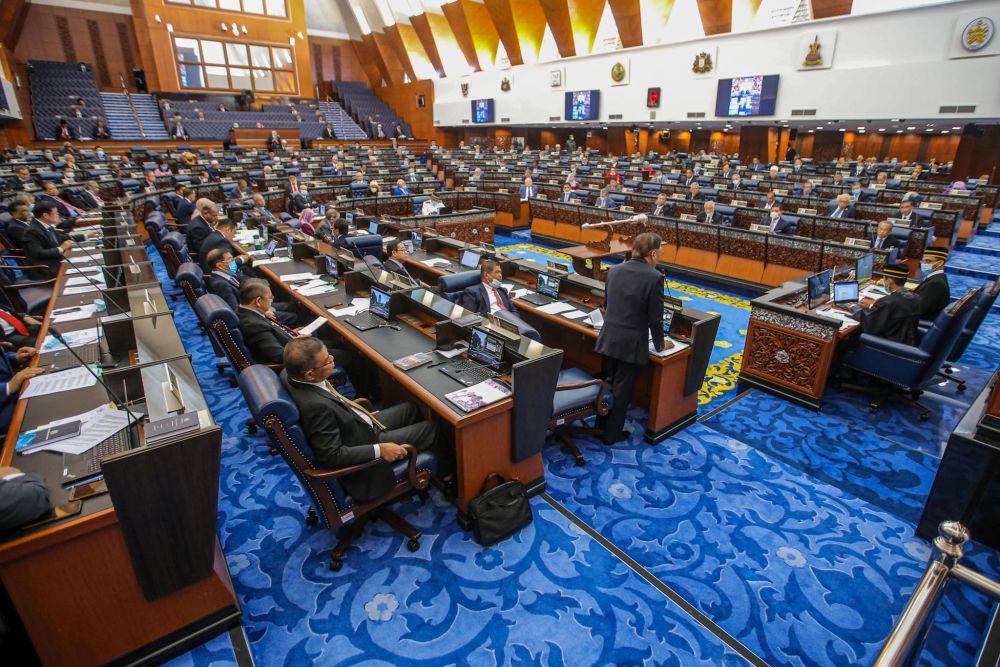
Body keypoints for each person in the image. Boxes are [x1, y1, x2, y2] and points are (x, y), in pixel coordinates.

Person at [280, 336, 438, 503]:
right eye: (327, 361)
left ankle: (426, 464)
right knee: (432, 428)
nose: (333, 359)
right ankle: (446, 481)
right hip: (363, 445)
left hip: (355, 424)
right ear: (310, 374)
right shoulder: (316, 407)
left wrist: (361, 415)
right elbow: (331, 455)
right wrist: (380, 450)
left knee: (411, 408)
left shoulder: (290, 375)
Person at [240, 280, 373, 395]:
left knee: (340, 345)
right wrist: (298, 341)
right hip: (301, 358)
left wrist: (291, 333)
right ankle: (367, 393)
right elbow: (278, 355)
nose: (271, 301)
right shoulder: (253, 325)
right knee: (352, 356)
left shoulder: (247, 313)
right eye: (270, 298)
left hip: (292, 342)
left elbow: (274, 336)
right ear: (258, 301)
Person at [595, 233, 665, 444]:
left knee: (608, 384)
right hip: (630, 344)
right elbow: (655, 319)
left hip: (608, 338)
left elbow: (607, 306)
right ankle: (612, 434)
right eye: (659, 253)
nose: (660, 257)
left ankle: (600, 425)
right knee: (622, 392)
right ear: (652, 254)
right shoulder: (654, 278)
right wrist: (660, 346)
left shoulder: (614, 271)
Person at [847, 263, 921, 345]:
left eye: (884, 279)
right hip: (906, 340)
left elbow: (868, 324)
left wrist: (853, 307)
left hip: (888, 345)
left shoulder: (887, 302)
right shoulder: (915, 297)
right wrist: (871, 306)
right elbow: (894, 311)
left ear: (889, 281)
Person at [23, 200, 76, 279]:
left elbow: (62, 238)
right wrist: (61, 248)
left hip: (56, 260)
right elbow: (38, 253)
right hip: (45, 268)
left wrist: (86, 236)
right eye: (56, 213)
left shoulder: (45, 224)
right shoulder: (32, 231)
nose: (58, 215)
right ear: (45, 215)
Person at [914, 246, 951, 321]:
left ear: (940, 263)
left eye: (928, 261)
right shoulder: (937, 278)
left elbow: (918, 310)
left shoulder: (936, 283)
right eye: (923, 261)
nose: (924, 264)